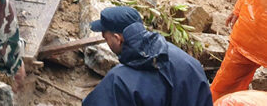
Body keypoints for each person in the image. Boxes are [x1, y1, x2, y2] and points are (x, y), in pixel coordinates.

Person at [84, 6, 213, 106]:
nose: (103, 38)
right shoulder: (188, 62)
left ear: (118, 39)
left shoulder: (119, 81)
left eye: (104, 35)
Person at [210, 0, 267, 102]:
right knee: (225, 86)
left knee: (224, 87)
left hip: (251, 27)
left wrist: (240, 7)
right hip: (253, 27)